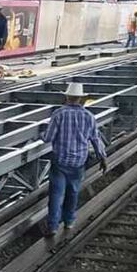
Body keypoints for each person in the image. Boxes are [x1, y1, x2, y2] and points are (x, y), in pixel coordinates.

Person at [42, 83, 107, 238]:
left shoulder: (59, 114)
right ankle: (69, 221)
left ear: (66, 97)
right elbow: (95, 139)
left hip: (60, 161)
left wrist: (40, 135)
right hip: (79, 162)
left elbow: (48, 138)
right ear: (81, 99)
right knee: (73, 192)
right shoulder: (89, 116)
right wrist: (102, 158)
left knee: (56, 194)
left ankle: (52, 226)